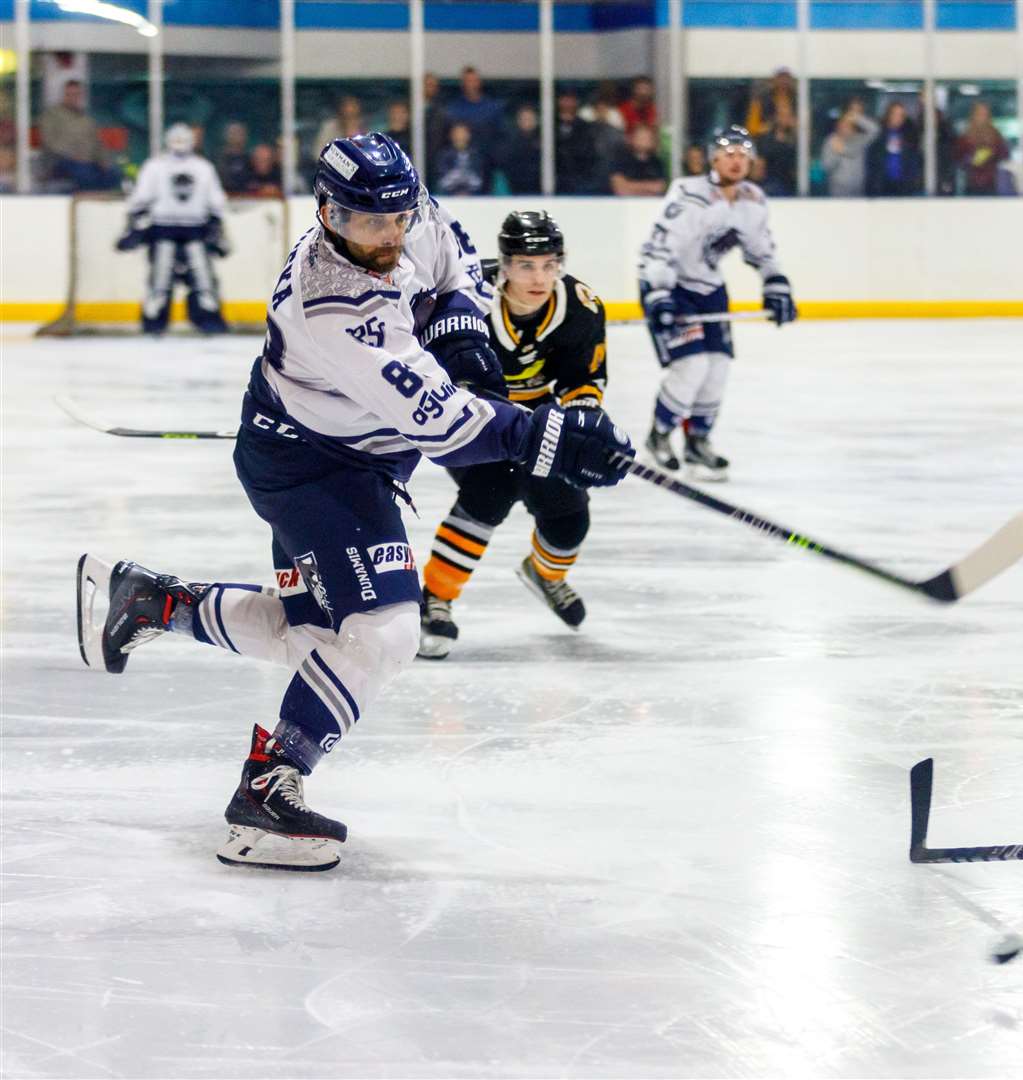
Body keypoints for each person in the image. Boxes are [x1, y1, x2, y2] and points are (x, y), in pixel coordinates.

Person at [76, 133, 632, 872]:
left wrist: (465, 337)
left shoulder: (397, 207)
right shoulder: (333, 304)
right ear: (327, 212)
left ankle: (155, 602)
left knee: (319, 644)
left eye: (399, 216)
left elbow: (453, 258)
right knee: (385, 633)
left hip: (345, 453)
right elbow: (442, 424)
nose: (391, 235)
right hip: (312, 469)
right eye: (372, 223)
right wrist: (549, 435)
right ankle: (268, 793)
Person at [418, 211, 611, 655]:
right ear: (504, 265)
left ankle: (546, 573)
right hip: (471, 418)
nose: (539, 277)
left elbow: (584, 382)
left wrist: (581, 429)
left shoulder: (581, 307)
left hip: (541, 421)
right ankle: (436, 599)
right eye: (526, 265)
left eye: (549, 264)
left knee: (568, 518)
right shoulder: (465, 296)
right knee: (492, 489)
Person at [637, 126, 795, 480]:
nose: (737, 161)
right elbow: (659, 249)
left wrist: (776, 283)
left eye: (743, 155)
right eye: (729, 154)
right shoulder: (690, 195)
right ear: (713, 158)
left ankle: (698, 442)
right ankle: (658, 436)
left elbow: (762, 250)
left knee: (718, 367)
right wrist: (659, 294)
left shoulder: (752, 201)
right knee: (691, 366)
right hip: (670, 285)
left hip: (709, 289)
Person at [114, 123, 231, 335]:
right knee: (160, 279)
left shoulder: (201, 167)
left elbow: (216, 202)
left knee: (203, 279)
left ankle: (207, 319)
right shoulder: (157, 166)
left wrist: (217, 226)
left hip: (194, 228)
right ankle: (155, 321)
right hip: (163, 228)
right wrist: (133, 222)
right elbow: (140, 199)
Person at [40, 79, 118, 191]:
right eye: (69, 94)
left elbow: (97, 144)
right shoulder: (52, 115)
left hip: (89, 162)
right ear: (64, 95)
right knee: (86, 174)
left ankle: (95, 198)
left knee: (113, 174)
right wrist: (74, 155)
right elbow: (49, 142)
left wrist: (104, 161)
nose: (73, 97)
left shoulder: (86, 119)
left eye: (76, 94)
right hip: (61, 161)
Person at [821, 102, 879, 198]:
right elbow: (826, 166)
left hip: (858, 189)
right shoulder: (831, 140)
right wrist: (836, 154)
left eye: (848, 124)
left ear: (853, 126)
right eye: (842, 124)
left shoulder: (859, 139)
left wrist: (856, 117)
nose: (844, 127)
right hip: (838, 190)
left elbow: (875, 130)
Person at [865, 101, 922, 197]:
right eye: (895, 114)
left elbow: (913, 162)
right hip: (881, 187)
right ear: (888, 115)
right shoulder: (877, 135)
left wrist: (912, 182)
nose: (898, 118)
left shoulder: (910, 137)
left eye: (901, 115)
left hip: (903, 187)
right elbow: (872, 162)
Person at [954, 101, 1009, 196]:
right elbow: (958, 158)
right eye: (979, 114)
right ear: (973, 116)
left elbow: (1005, 155)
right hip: (971, 183)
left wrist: (991, 153)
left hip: (991, 183)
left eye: (985, 114)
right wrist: (971, 159)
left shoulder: (996, 135)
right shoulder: (965, 137)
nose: (982, 117)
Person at [554, 91, 601, 195]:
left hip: (579, 182)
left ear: (576, 102)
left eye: (571, 100)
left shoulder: (586, 127)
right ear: (559, 101)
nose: (567, 103)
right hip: (555, 180)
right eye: (564, 99)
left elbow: (590, 155)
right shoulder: (549, 124)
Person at [609, 123, 667, 196]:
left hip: (651, 206)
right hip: (624, 206)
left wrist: (630, 186)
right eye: (640, 137)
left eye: (647, 137)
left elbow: (659, 188)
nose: (643, 141)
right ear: (631, 139)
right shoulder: (619, 160)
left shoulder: (657, 162)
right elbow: (620, 189)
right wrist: (649, 187)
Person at [435, 121, 488, 196]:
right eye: (457, 133)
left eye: (463, 133)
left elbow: (481, 180)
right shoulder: (444, 155)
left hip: (474, 196)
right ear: (451, 135)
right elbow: (442, 180)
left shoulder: (476, 155)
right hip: (449, 195)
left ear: (469, 135)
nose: (460, 136)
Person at [503, 104, 542, 194]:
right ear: (518, 121)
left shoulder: (544, 140)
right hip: (516, 188)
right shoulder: (511, 142)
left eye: (530, 118)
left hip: (540, 188)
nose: (527, 121)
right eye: (524, 119)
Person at [217, 121, 253, 193]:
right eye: (233, 133)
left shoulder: (249, 159)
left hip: (248, 198)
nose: (236, 136)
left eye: (240, 133)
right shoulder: (219, 158)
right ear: (226, 136)